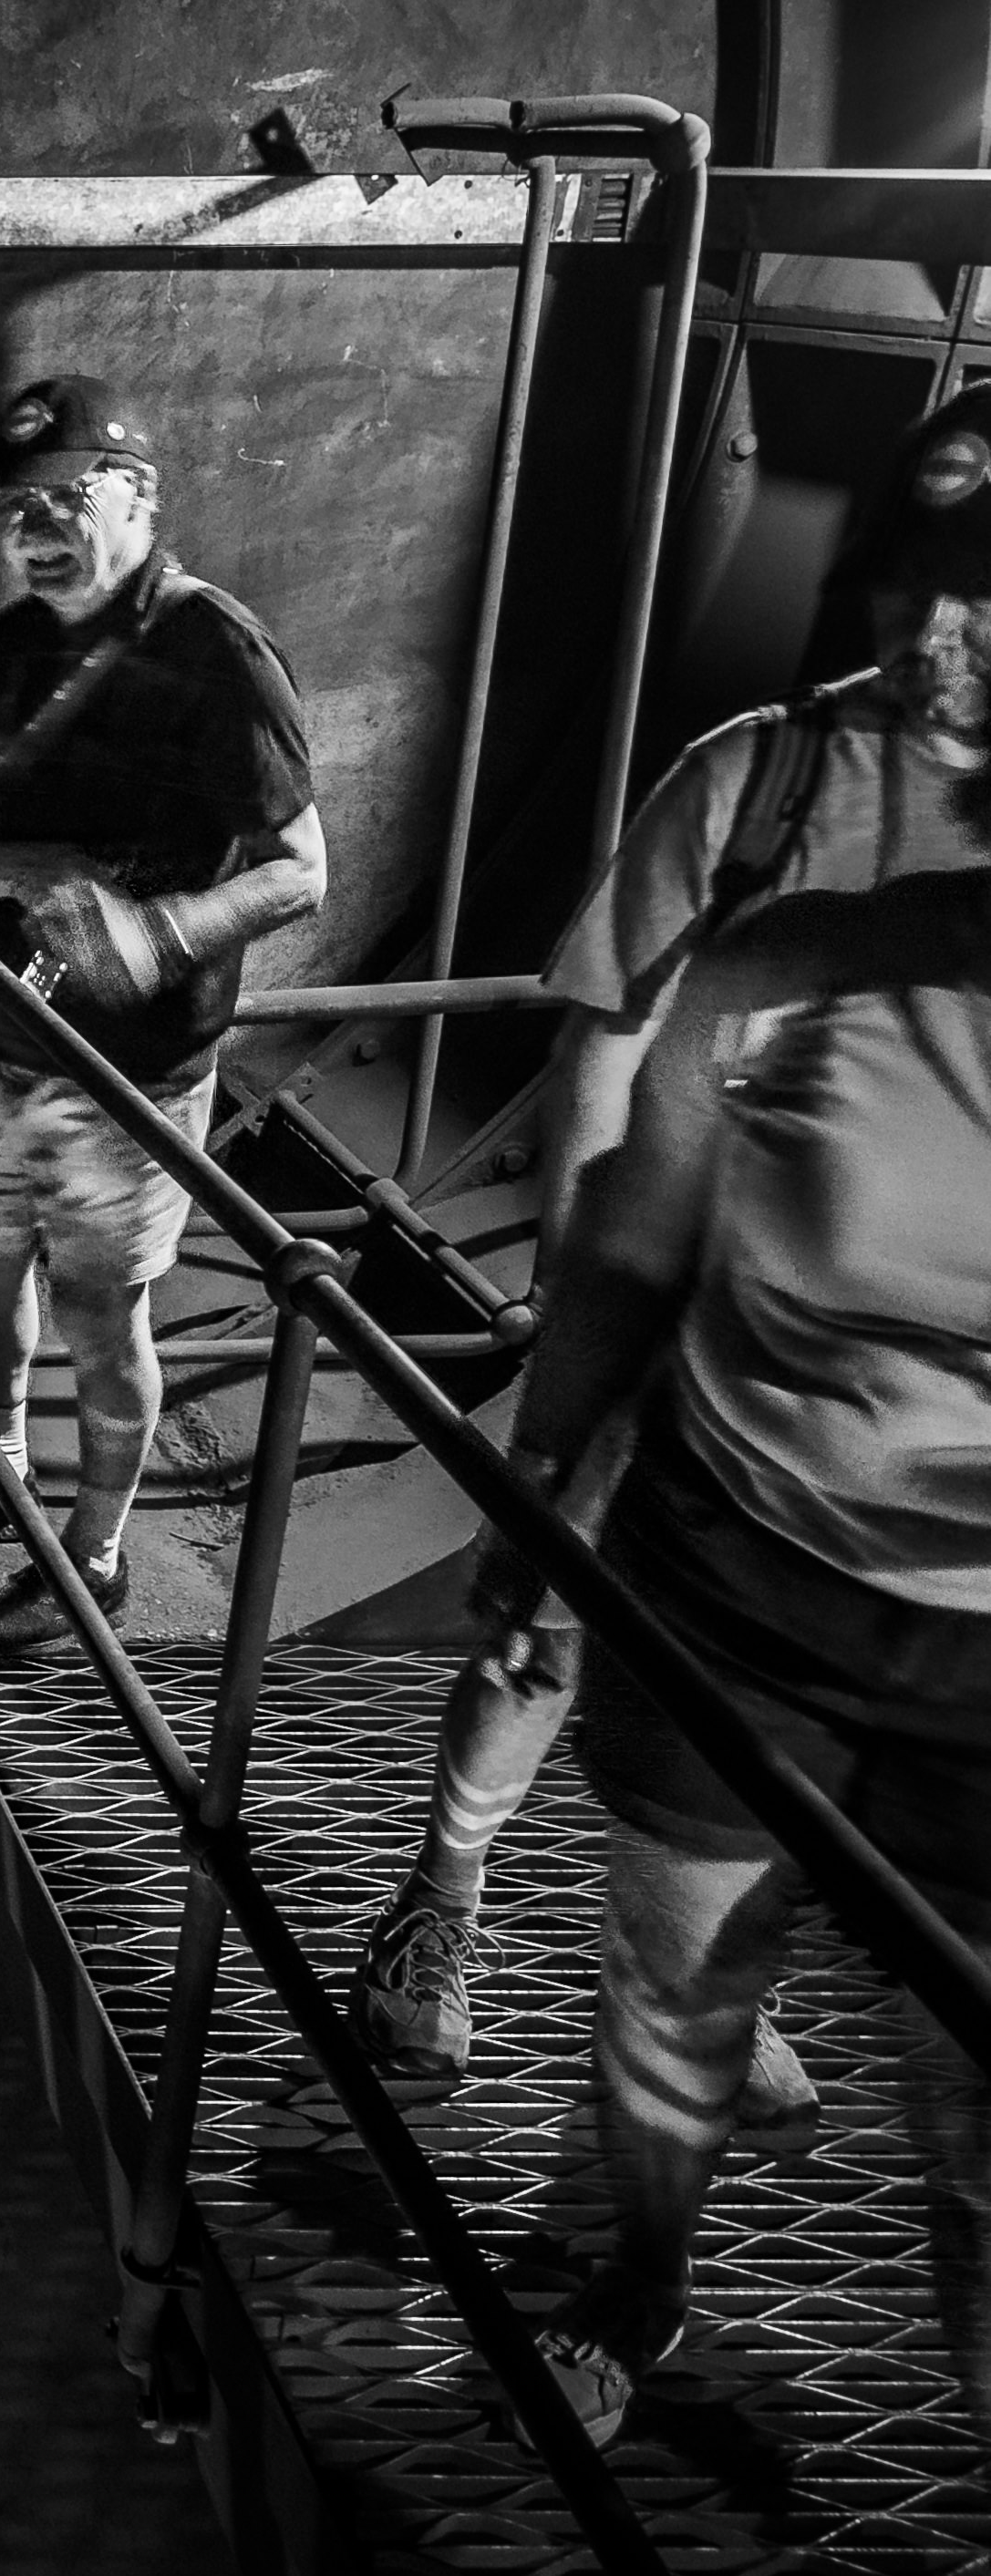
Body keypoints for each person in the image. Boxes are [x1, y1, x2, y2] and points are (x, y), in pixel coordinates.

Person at [480, 384, 991, 2449]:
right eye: (930, 582)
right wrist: (543, 1494)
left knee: (977, 2125)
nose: (952, 638)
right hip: (739, 1579)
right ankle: (641, 2274)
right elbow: (625, 1226)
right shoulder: (787, 948)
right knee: (674, 1986)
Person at [0, 376, 328, 1654]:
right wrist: (31, 870)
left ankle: (96, 1556)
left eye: (62, 500)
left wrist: (159, 936)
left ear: (136, 497)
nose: (32, 530)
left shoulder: (217, 650)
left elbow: (299, 869)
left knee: (96, 1313)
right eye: (11, 508)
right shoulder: (9, 647)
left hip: (131, 1071)